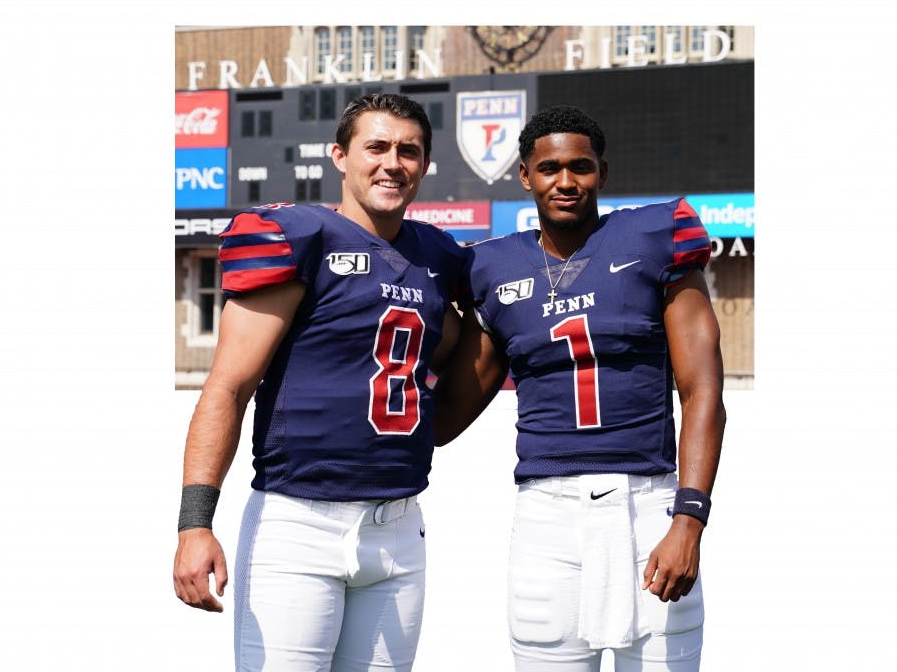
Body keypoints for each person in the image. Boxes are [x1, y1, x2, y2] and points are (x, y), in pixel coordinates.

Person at [172, 92, 467, 671]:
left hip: (400, 527)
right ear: (340, 155)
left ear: (425, 164)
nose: (392, 163)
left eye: (409, 151)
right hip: (299, 523)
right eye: (376, 147)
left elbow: (466, 345)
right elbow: (226, 388)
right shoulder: (300, 237)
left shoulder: (438, 255)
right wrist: (194, 524)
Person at [434, 105, 726, 671]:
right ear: (525, 175)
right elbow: (446, 418)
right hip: (547, 515)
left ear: (602, 173)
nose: (565, 182)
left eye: (580, 167)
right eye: (549, 169)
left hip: (649, 504)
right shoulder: (493, 268)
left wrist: (688, 520)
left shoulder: (653, 237)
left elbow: (702, 391)